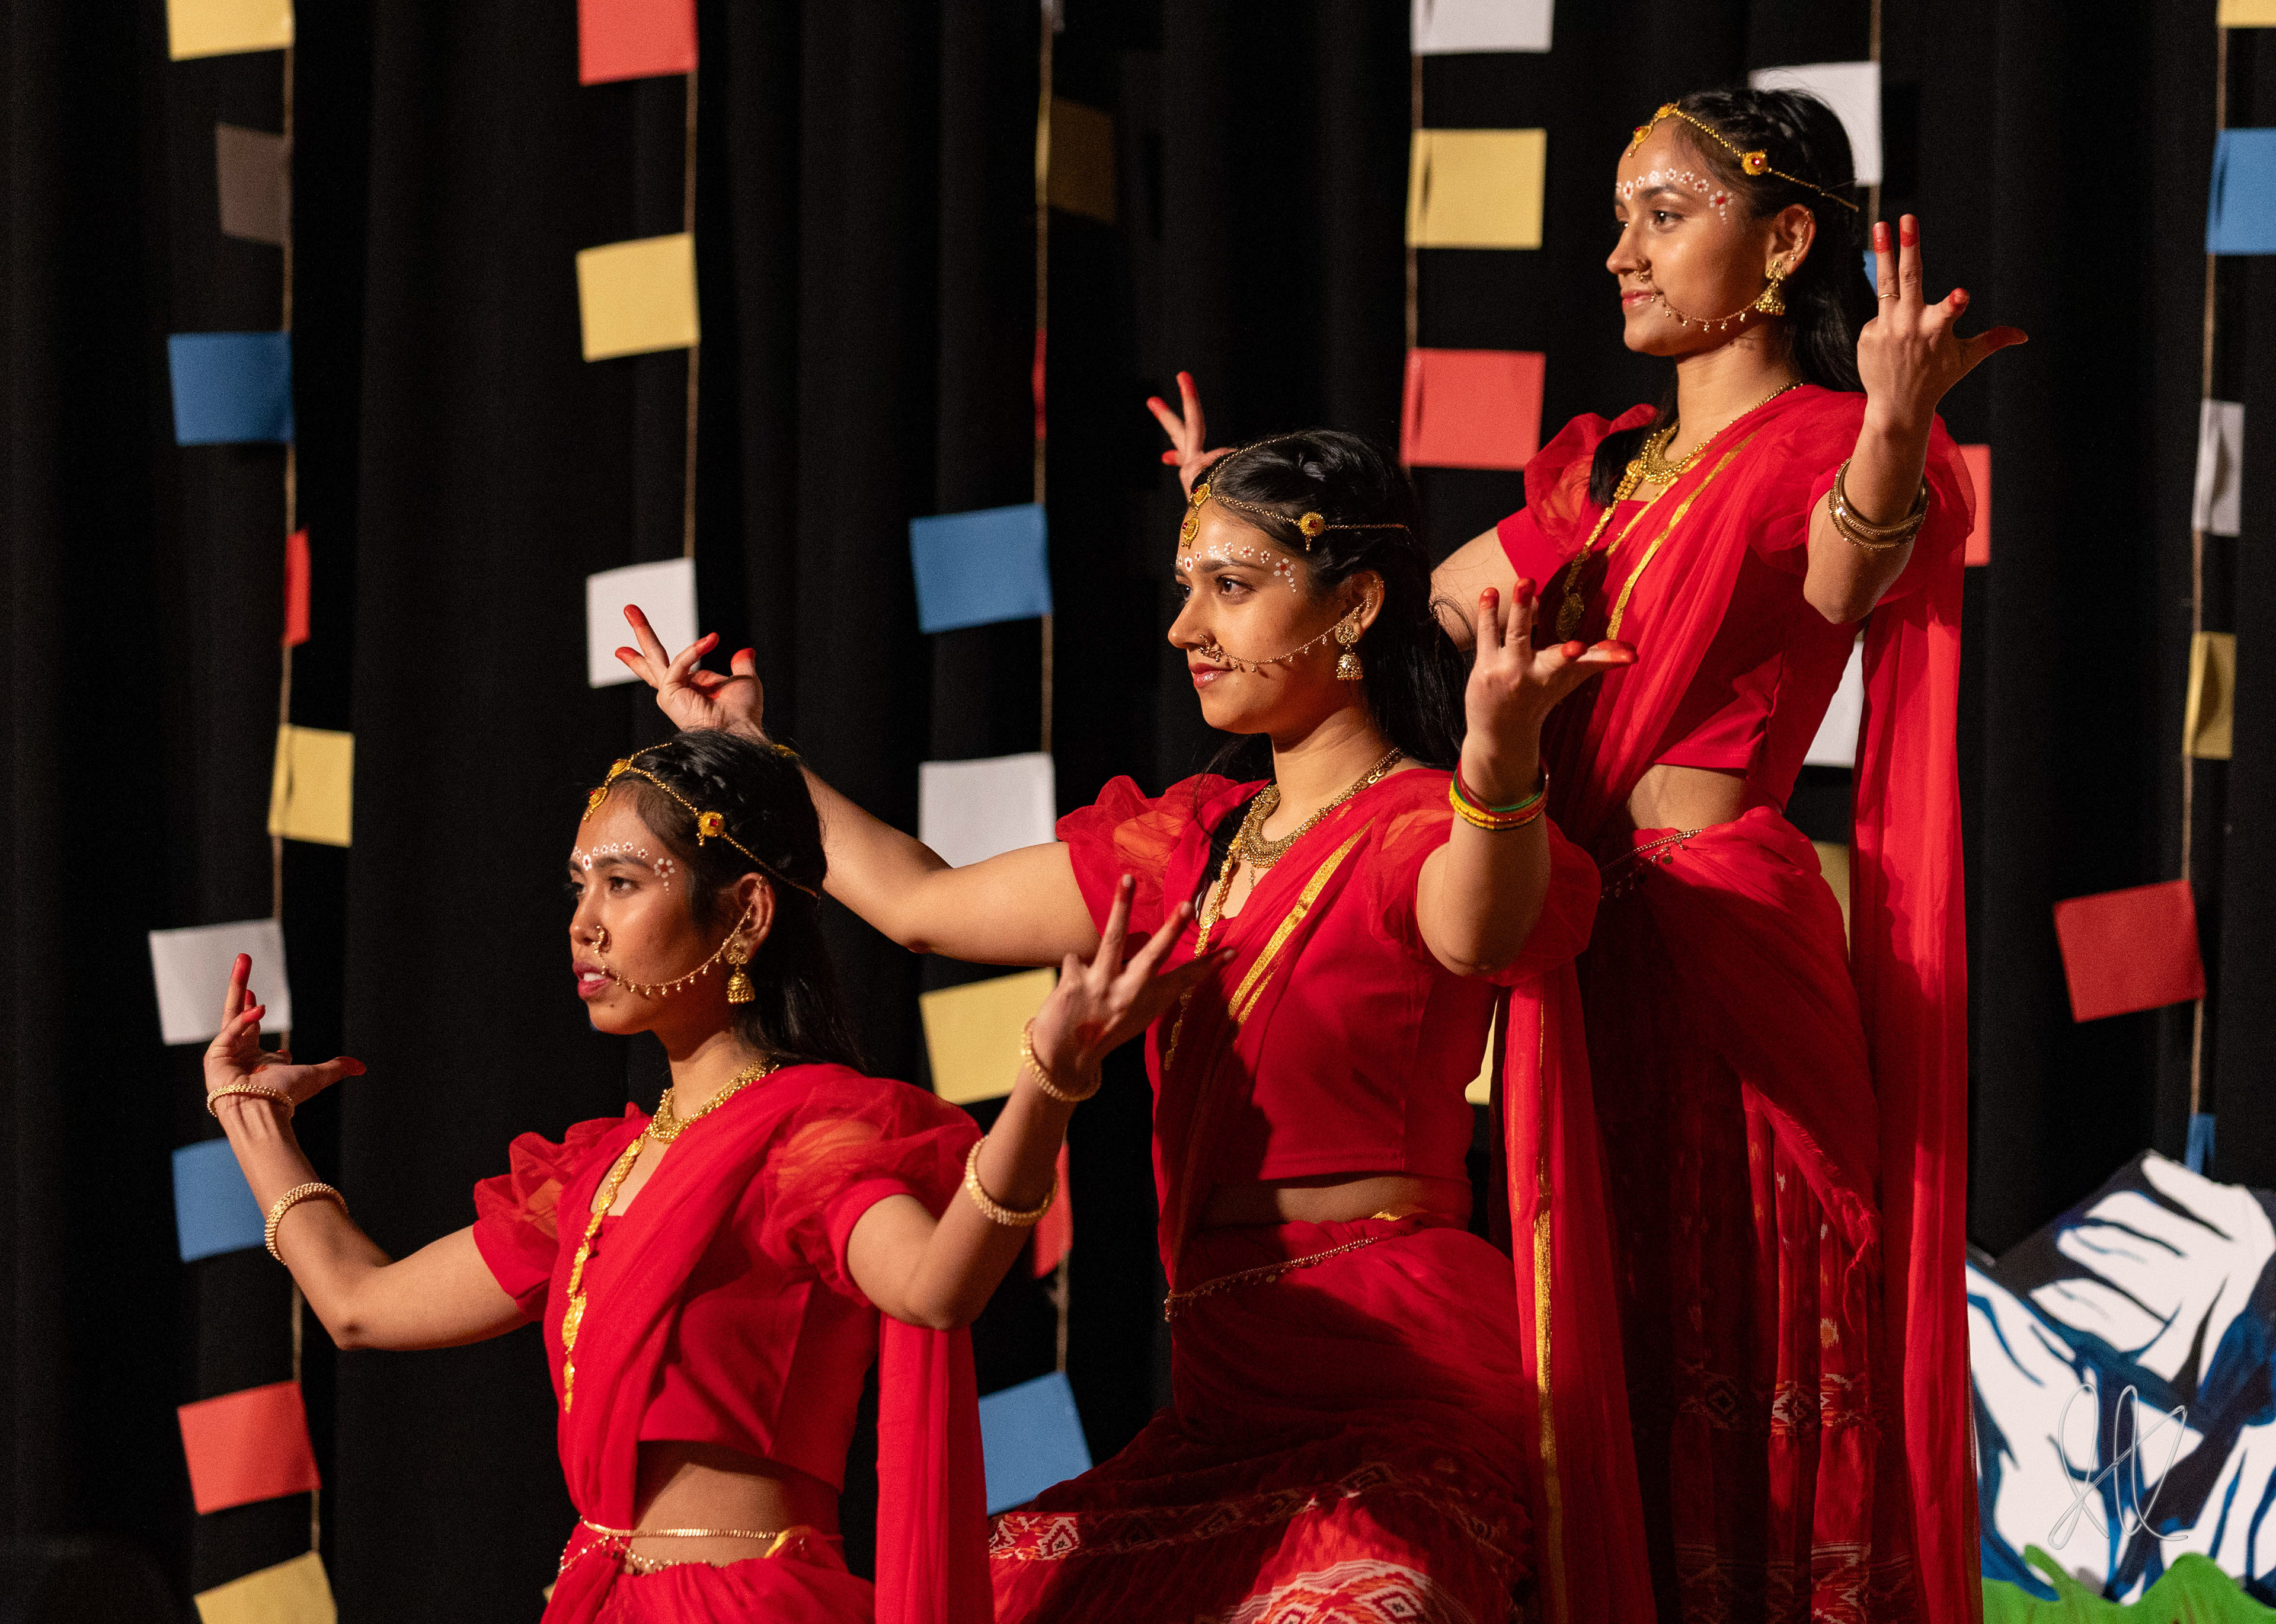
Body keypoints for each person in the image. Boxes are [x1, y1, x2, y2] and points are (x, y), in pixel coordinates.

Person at [1156, 88, 2019, 1622]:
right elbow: (1419, 601)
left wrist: (1894, 421)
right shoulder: (1609, 477)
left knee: (1739, 1329)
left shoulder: (1822, 439)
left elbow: (1845, 568)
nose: (1619, 251)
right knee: (1607, 1342)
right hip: (1579, 954)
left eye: (1665, 214)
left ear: (1787, 239)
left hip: (1719, 968)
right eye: (1620, 215)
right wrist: (1261, 549)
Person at [615, 429, 1645, 1622]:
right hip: (1222, 1398)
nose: (1184, 628)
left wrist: (1501, 764)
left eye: (1231, 587)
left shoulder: (1425, 822)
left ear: (1356, 604)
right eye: (1185, 589)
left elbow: (1480, 929)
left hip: (1394, 1381)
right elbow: (921, 905)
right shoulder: (1189, 843)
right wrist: (747, 754)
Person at [199, 728, 1209, 1623]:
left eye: (624, 883)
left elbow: (940, 1286)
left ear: (744, 915)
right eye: (579, 886)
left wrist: (1049, 1085)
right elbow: (360, 1306)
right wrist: (248, 1115)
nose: (583, 923)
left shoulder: (814, 1134)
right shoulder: (597, 1171)